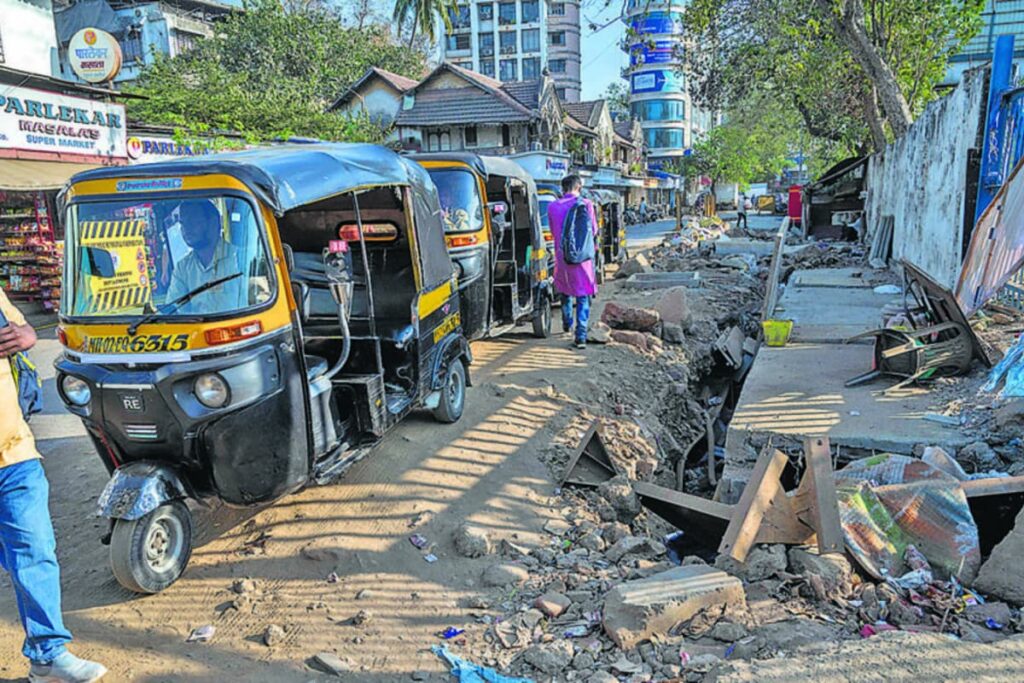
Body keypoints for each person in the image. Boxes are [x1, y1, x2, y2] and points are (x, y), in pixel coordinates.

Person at [0, 288, 108, 683]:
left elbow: (21, 328)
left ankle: (48, 655)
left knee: (35, 551)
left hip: (15, 453)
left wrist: (26, 335)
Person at [165, 200, 245, 314]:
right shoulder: (183, 268)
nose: (186, 228)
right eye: (183, 223)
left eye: (192, 220)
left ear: (213, 223)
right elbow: (174, 311)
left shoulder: (239, 258)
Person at [547, 174, 599, 349]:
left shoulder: (553, 207)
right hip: (582, 257)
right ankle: (581, 335)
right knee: (583, 294)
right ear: (579, 187)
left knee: (565, 290)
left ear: (563, 189)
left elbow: (554, 232)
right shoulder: (587, 204)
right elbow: (593, 230)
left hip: (562, 257)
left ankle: (567, 323)